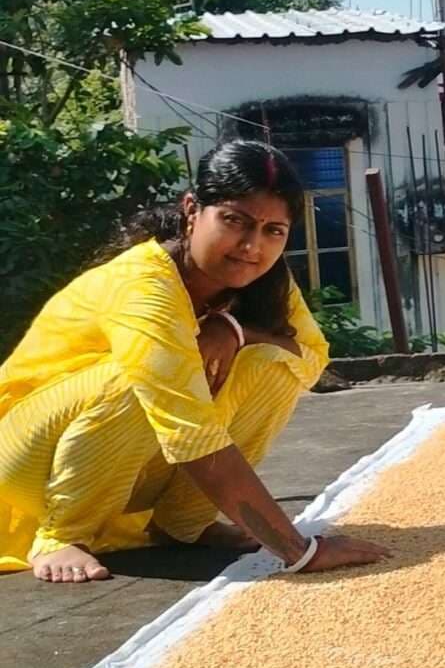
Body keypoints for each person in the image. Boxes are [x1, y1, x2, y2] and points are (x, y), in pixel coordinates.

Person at [0, 141, 391, 585]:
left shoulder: (263, 281)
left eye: (273, 231)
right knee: (136, 382)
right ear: (192, 210)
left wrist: (234, 330)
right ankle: (62, 533)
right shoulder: (144, 287)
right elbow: (187, 431)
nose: (251, 245)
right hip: (26, 461)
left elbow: (311, 358)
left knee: (271, 363)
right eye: (234, 220)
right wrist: (298, 551)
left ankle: (183, 523)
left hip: (123, 465)